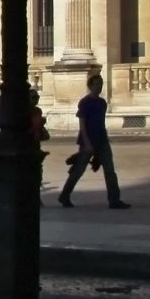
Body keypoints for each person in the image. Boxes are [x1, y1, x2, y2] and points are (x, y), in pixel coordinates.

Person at [59, 73, 127, 208]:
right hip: (87, 141)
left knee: (110, 170)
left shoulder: (102, 103)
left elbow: (101, 122)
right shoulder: (85, 102)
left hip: (102, 140)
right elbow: (82, 125)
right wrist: (87, 143)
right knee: (78, 170)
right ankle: (64, 195)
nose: (99, 87)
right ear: (90, 86)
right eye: (96, 84)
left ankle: (114, 200)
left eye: (100, 84)